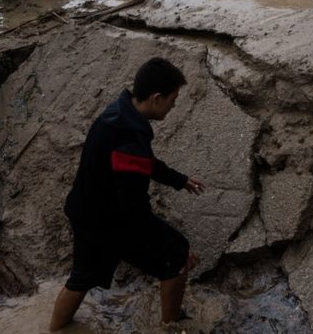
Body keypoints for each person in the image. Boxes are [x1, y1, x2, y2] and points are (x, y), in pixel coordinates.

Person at [48, 57, 206, 330]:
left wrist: (179, 180)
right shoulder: (130, 140)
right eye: (172, 99)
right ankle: (170, 325)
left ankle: (56, 329)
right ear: (156, 98)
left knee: (81, 279)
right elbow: (133, 210)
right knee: (178, 258)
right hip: (107, 220)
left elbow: (143, 164)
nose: (174, 106)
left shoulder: (117, 114)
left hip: (84, 211)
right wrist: (174, 246)